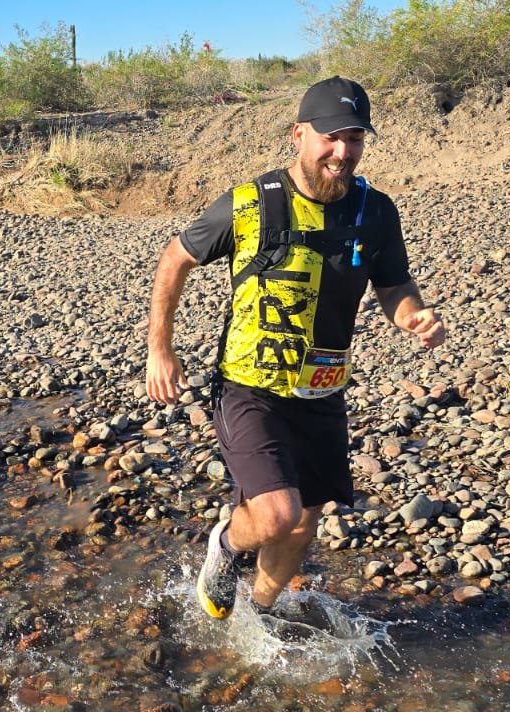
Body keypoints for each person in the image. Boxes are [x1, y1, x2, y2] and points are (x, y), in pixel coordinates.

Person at [144, 76, 447, 619]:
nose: (342, 152)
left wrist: (412, 316)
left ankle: (258, 612)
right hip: (249, 387)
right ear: (299, 134)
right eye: (331, 137)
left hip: (322, 390)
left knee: (304, 522)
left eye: (354, 138)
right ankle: (226, 545)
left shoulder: (376, 212)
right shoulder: (249, 204)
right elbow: (175, 257)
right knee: (277, 514)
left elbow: (394, 286)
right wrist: (160, 349)